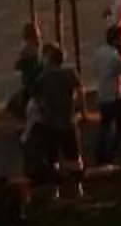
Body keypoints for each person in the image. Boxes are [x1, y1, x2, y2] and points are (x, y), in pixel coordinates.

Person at [25, 43, 84, 189]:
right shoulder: (70, 73)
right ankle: (77, 185)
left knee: (53, 158)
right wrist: (81, 110)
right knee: (74, 157)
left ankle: (56, 187)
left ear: (49, 60)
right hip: (68, 121)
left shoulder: (43, 79)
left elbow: (36, 100)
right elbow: (80, 91)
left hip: (50, 124)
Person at [88, 24, 121, 167]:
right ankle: (111, 151)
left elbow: (95, 69)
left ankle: (100, 152)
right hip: (114, 95)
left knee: (105, 124)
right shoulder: (114, 56)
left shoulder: (99, 52)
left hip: (102, 92)